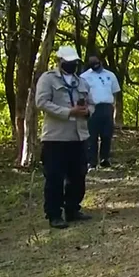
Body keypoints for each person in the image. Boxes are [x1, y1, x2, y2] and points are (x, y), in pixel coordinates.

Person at [34, 46, 94, 229]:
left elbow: (92, 104)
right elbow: (42, 102)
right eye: (68, 62)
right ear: (59, 61)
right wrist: (68, 112)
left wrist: (86, 112)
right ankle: (54, 214)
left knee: (78, 175)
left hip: (79, 136)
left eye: (74, 62)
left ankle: (72, 209)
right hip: (56, 137)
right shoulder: (48, 79)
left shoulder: (81, 82)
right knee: (55, 177)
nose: (71, 65)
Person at [80, 52, 121, 169]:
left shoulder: (110, 75)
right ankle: (91, 161)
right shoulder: (84, 77)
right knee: (92, 136)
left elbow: (115, 92)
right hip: (92, 108)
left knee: (107, 135)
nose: (95, 64)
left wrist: (113, 107)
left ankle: (105, 159)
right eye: (92, 62)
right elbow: (82, 94)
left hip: (107, 107)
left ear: (101, 61)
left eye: (96, 62)